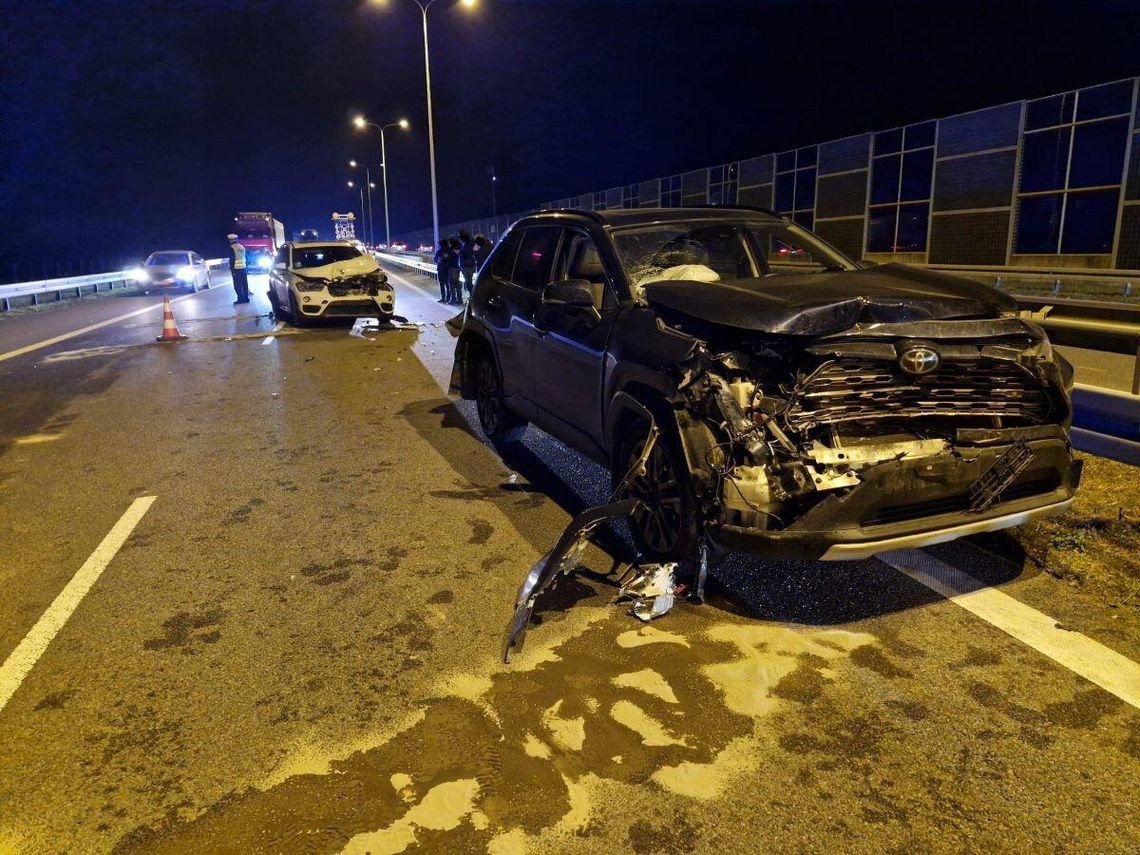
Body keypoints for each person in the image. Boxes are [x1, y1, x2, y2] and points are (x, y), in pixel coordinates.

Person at [227, 234, 249, 304]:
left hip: (236, 269)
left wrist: (232, 269)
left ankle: (240, 299)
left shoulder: (232, 248)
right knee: (244, 284)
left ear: (230, 240)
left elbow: (232, 259)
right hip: (243, 268)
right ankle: (246, 298)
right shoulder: (241, 247)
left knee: (237, 285)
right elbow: (246, 258)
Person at [458, 230, 477, 301]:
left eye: (460, 237)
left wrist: (460, 253)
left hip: (467, 266)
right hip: (470, 265)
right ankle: (473, 295)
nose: (459, 239)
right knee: (468, 282)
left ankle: (473, 296)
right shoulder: (471, 243)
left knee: (468, 282)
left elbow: (467, 255)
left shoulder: (467, 244)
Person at [433, 239, 454, 303]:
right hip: (443, 269)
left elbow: (435, 259)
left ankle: (446, 298)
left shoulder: (448, 251)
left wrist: (442, 259)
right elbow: (435, 259)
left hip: (445, 270)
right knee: (444, 284)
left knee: (446, 284)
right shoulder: (441, 251)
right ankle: (445, 298)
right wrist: (439, 260)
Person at [448, 237, 463, 305]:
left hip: (452, 268)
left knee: (452, 284)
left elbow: (449, 258)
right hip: (458, 268)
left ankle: (453, 299)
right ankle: (460, 299)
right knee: (457, 284)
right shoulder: (460, 249)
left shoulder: (452, 250)